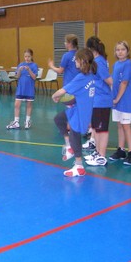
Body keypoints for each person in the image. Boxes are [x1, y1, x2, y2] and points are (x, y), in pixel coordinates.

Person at [52, 49, 96, 177]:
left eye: (76, 59)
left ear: (82, 61)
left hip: (81, 111)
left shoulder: (81, 77)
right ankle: (69, 147)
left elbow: (63, 91)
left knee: (75, 135)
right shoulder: (90, 75)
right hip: (78, 108)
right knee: (59, 119)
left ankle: (79, 166)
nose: (75, 61)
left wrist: (54, 96)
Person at [82, 37, 113, 166]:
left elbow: (110, 81)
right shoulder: (97, 61)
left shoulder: (99, 62)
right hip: (97, 100)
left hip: (102, 100)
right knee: (97, 128)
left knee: (102, 129)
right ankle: (98, 152)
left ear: (90, 49)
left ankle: (102, 156)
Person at [109, 41, 131, 165]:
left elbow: (124, 83)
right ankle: (121, 150)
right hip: (116, 99)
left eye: (123, 49)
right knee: (119, 124)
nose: (120, 52)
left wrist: (117, 99)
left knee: (126, 125)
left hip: (125, 99)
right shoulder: (115, 64)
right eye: (118, 50)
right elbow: (113, 81)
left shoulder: (129, 64)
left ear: (127, 51)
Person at [6, 49, 38, 129]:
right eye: (25, 56)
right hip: (20, 88)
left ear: (31, 56)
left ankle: (27, 121)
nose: (27, 58)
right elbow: (17, 76)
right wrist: (19, 70)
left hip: (29, 88)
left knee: (29, 105)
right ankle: (16, 122)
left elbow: (34, 77)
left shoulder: (34, 65)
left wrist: (29, 70)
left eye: (28, 56)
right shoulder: (20, 64)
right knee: (16, 105)